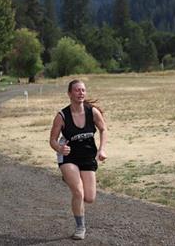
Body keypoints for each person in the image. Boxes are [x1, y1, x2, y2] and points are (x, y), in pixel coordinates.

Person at [50, 79, 107, 240]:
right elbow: (52, 140)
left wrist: (102, 149)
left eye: (83, 90)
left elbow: (103, 129)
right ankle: (80, 227)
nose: (81, 93)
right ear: (69, 93)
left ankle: (69, 178)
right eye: (77, 90)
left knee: (89, 198)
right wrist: (59, 148)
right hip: (69, 157)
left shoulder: (92, 112)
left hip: (88, 156)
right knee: (78, 192)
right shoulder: (62, 116)